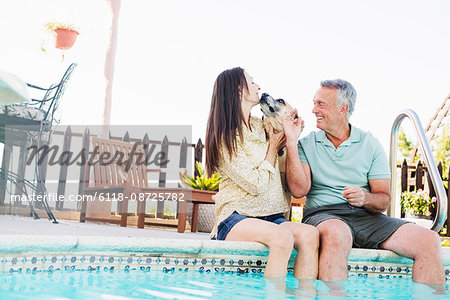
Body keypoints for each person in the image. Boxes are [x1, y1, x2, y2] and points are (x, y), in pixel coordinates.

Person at [283, 79, 445, 284]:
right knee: (337, 233)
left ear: (343, 108)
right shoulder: (307, 144)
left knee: (429, 240)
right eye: (314, 103)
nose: (314, 110)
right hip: (324, 215)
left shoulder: (370, 144)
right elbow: (298, 191)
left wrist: (365, 198)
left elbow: (383, 200)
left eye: (321, 104)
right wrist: (291, 141)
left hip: (367, 218)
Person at [205, 67, 319, 279]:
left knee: (310, 234)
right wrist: (272, 148)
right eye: (252, 82)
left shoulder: (261, 126)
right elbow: (256, 184)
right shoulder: (225, 138)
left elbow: (283, 122)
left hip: (272, 218)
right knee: (283, 236)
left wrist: (292, 135)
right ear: (239, 90)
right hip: (236, 217)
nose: (258, 86)